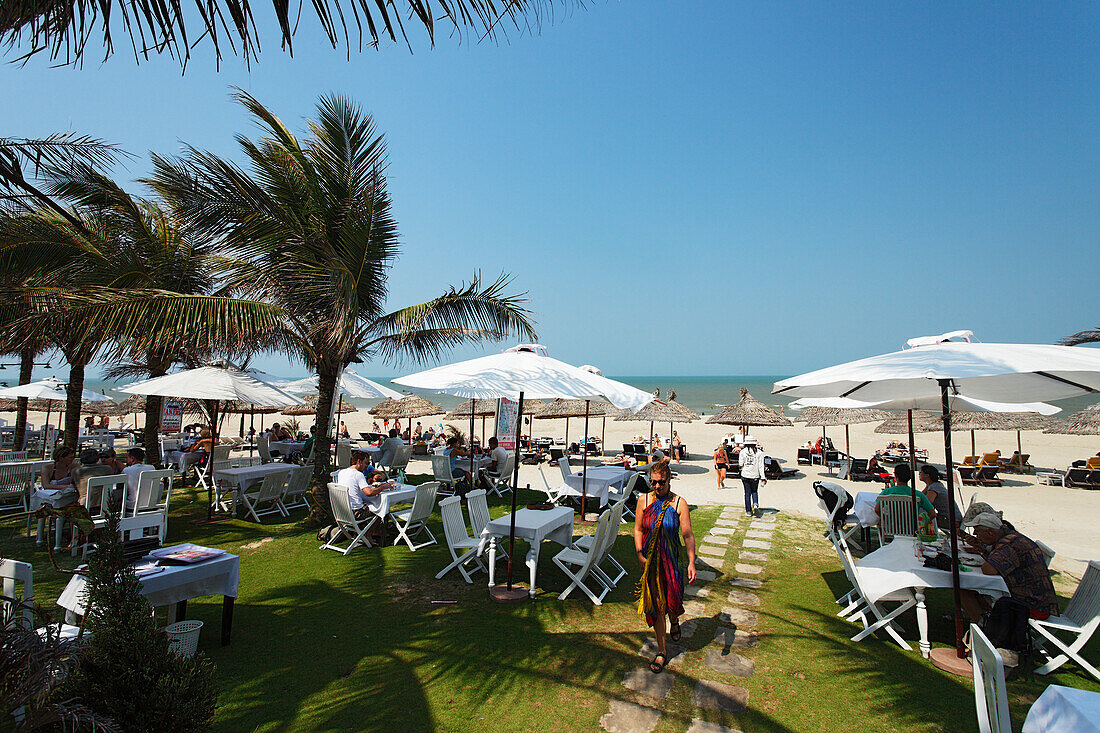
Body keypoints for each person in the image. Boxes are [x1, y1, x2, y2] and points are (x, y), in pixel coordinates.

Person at [634, 459, 696, 674]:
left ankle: (675, 620)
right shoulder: (644, 501)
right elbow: (639, 530)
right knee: (658, 605)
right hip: (652, 563)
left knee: (673, 600)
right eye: (653, 483)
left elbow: (687, 535)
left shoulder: (679, 503)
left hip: (672, 562)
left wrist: (691, 562)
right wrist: (640, 553)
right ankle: (662, 650)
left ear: (669, 480)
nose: (657, 487)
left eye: (660, 482)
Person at [959, 511, 1058, 622]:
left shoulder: (1009, 544)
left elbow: (989, 570)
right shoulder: (1010, 536)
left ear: (990, 532)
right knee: (969, 590)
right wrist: (980, 548)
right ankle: (986, 623)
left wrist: (983, 551)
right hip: (1037, 601)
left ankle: (987, 629)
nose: (975, 534)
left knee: (964, 590)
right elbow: (996, 563)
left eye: (977, 531)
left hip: (1033, 606)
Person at [336, 451, 390, 545]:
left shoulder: (342, 472)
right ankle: (368, 535)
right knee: (381, 508)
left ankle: (358, 533)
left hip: (342, 511)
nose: (366, 466)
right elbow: (368, 493)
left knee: (370, 504)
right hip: (356, 513)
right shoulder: (358, 474)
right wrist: (382, 487)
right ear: (358, 461)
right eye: (366, 463)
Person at [874, 463, 937, 527]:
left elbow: (877, 509)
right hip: (912, 529)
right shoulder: (918, 494)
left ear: (896, 475)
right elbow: (932, 514)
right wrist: (921, 523)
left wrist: (887, 519)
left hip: (892, 528)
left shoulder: (887, 492)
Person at [918, 464, 962, 529]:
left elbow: (927, 503)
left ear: (927, 475)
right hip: (954, 518)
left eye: (920, 472)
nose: (919, 474)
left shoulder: (934, 487)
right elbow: (920, 496)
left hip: (951, 521)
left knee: (921, 517)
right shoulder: (932, 485)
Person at [738, 436, 767, 516]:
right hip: (755, 475)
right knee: (754, 491)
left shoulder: (743, 452)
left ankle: (748, 511)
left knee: (747, 493)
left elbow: (740, 464)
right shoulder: (759, 453)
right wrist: (763, 477)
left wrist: (742, 466)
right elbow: (761, 466)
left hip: (745, 474)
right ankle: (755, 504)